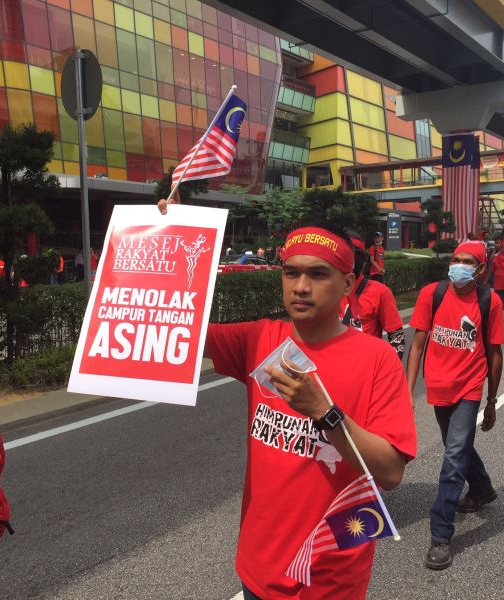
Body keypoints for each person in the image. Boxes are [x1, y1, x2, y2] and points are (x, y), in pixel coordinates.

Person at [160, 195, 416, 600]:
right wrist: (166, 235)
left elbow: (390, 473)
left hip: (331, 575)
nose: (300, 287)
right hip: (258, 566)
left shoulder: (377, 359)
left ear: (348, 284)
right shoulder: (260, 338)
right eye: (290, 273)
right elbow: (169, 322)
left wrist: (325, 413)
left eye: (318, 274)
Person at [406, 241, 504, 570]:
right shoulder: (431, 294)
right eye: (456, 259)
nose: (459, 265)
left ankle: (441, 534)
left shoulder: (489, 301)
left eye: (468, 261)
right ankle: (482, 488)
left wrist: (491, 401)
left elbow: (494, 354)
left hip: (469, 387)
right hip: (438, 384)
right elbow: (417, 344)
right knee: (455, 446)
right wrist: (407, 392)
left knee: (453, 456)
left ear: (481, 269)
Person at [341, 235, 405, 359]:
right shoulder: (326, 290)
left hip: (366, 371)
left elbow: (397, 338)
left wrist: (388, 373)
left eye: (351, 255)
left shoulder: (379, 292)